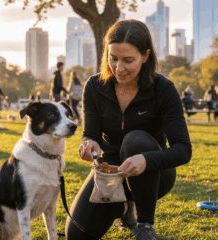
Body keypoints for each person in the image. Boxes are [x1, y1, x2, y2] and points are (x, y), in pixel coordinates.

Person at [66, 20, 192, 240]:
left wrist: (146, 159)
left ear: (145, 56)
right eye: (113, 58)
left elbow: (183, 150)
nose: (118, 68)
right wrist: (88, 143)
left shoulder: (163, 89)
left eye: (128, 60)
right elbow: (91, 134)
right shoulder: (94, 86)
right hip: (110, 175)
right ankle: (122, 207)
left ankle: (145, 224)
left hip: (153, 173)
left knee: (135, 141)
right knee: (77, 234)